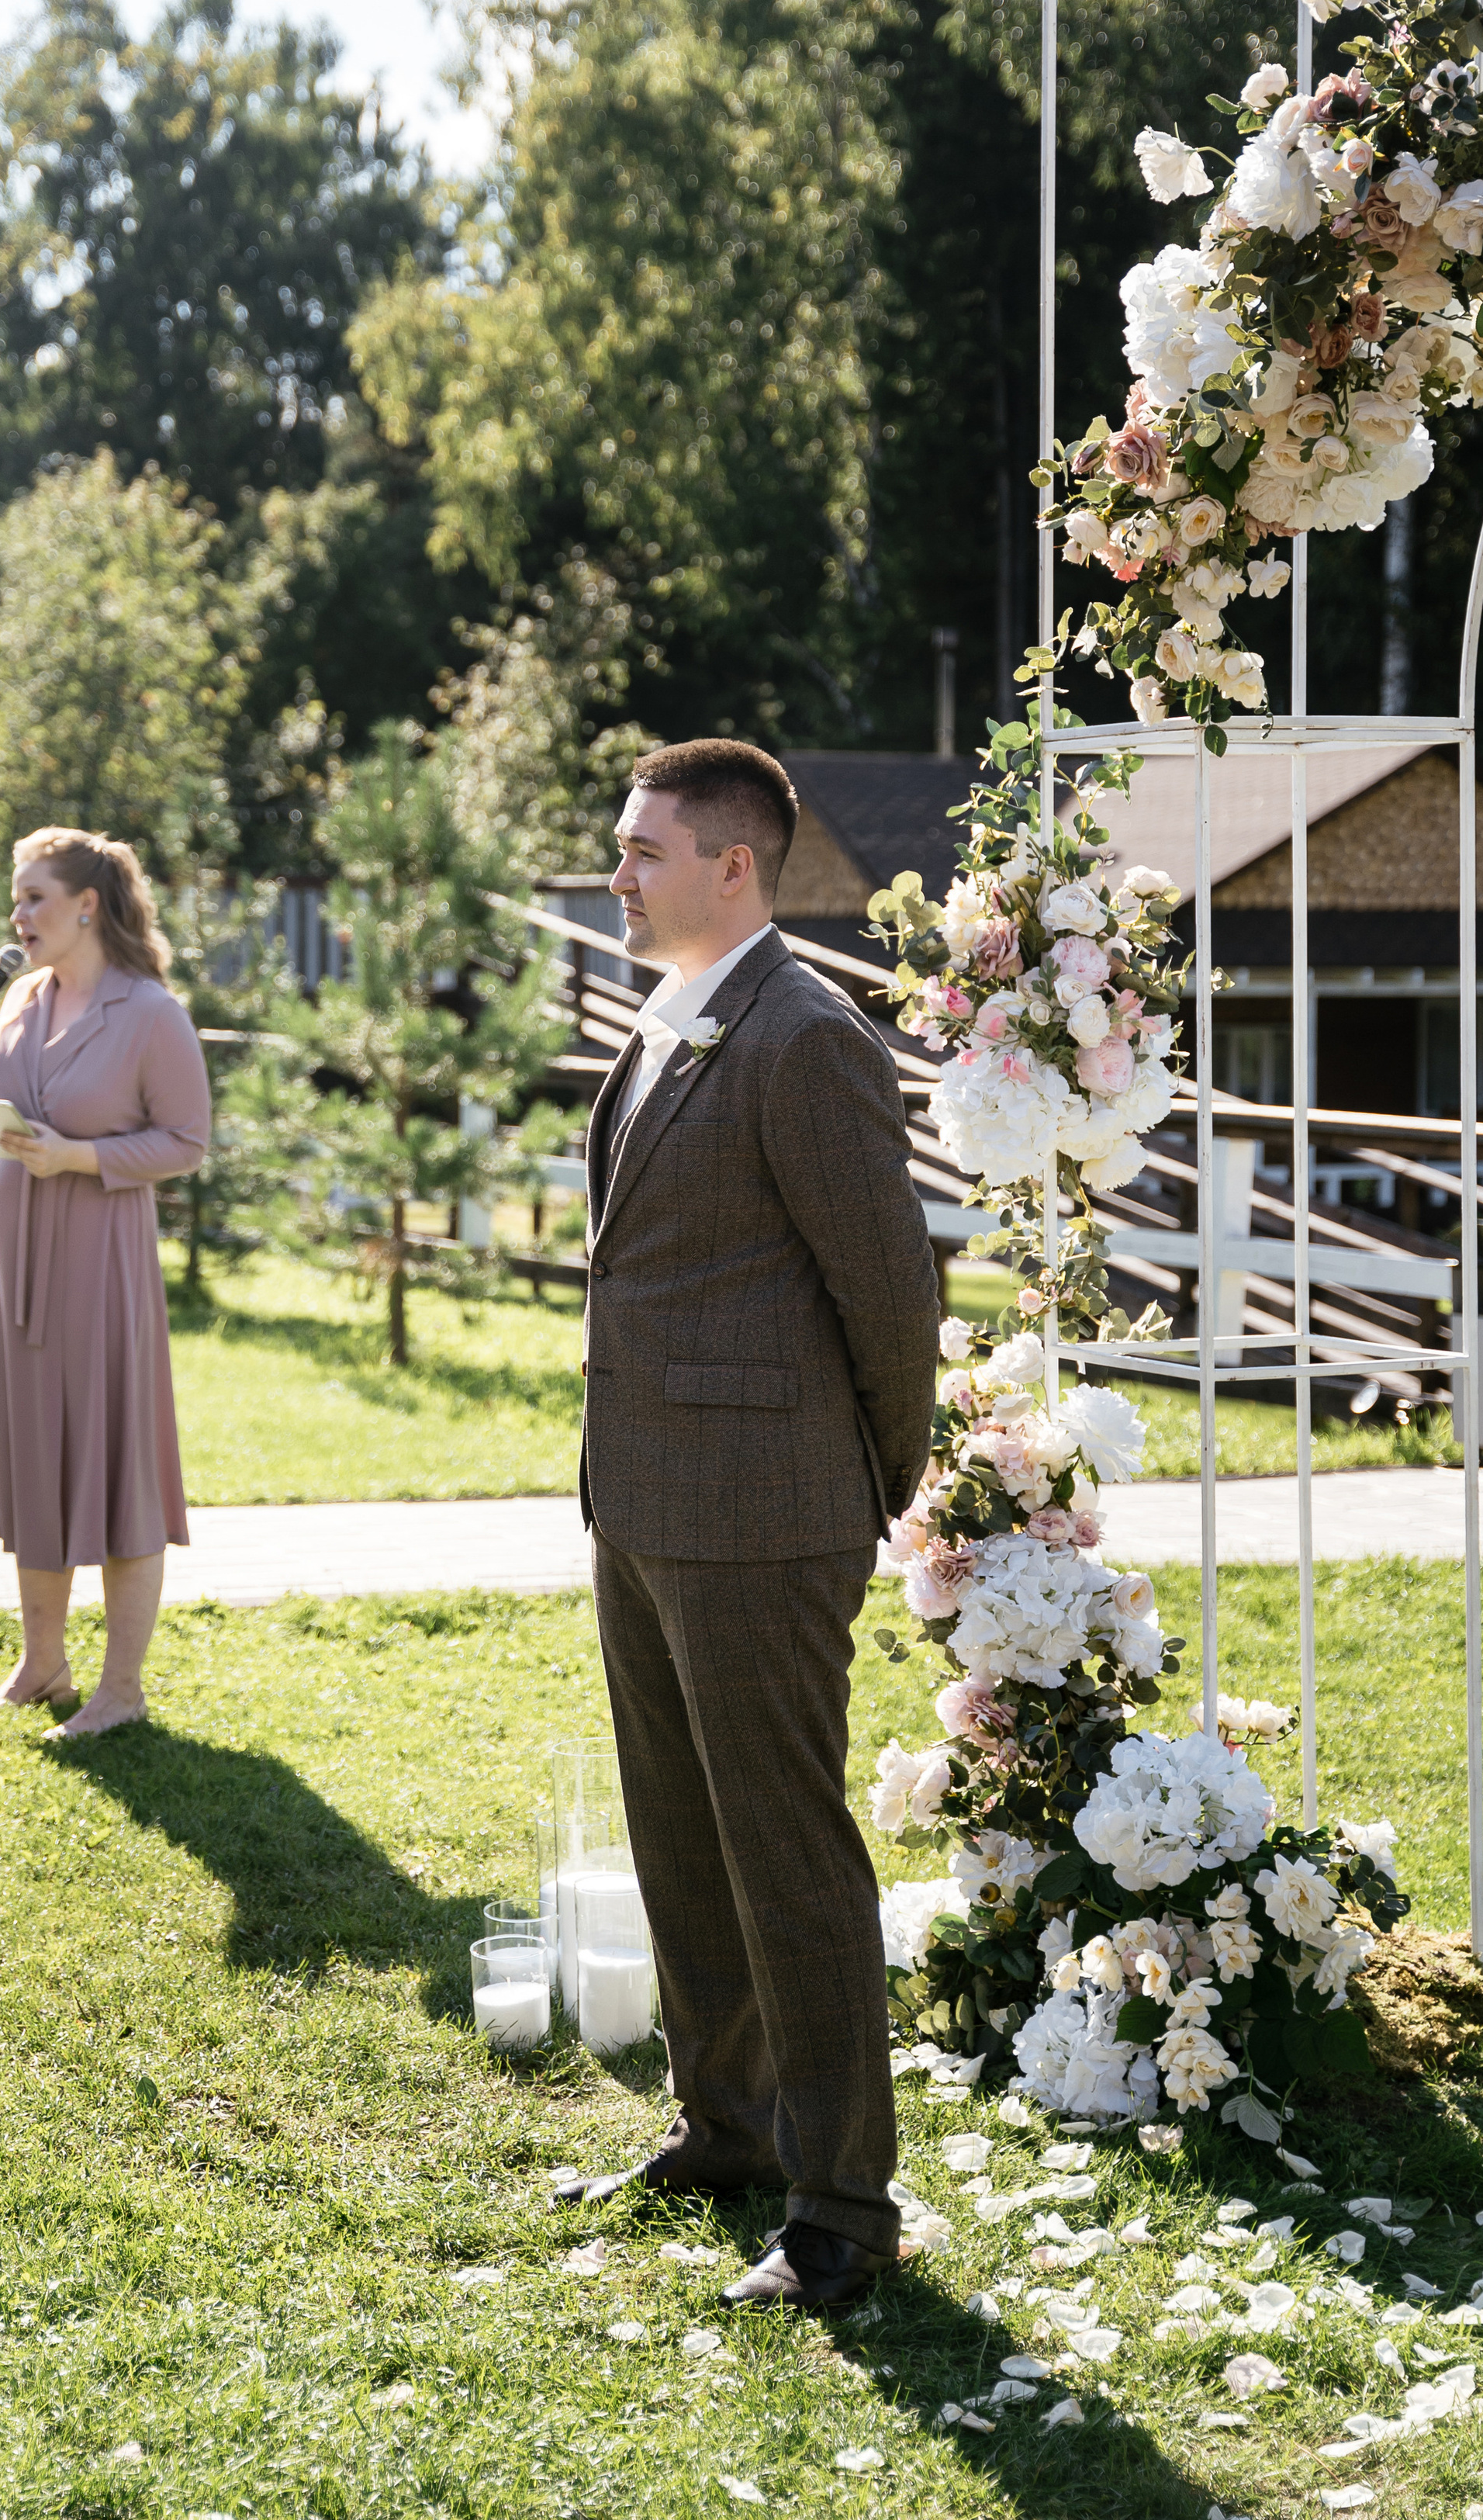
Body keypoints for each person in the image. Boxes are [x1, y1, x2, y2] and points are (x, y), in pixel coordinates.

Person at [555, 737, 940, 2314]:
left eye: (642, 851)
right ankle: (722, 2128)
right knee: (680, 1839)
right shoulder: (669, 1016)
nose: (616, 875)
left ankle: (842, 2206)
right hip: (643, 1500)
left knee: (785, 1859)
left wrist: (871, 1481)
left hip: (767, 1516)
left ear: (733, 866)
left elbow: (890, 1291)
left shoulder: (805, 1034)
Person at [0, 826, 211, 1737]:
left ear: (86, 905)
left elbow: (186, 1142)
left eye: (35, 898)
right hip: (7, 1249)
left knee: (114, 1463)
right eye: (14, 899)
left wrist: (81, 1158)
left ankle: (120, 1691)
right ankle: (42, 1664)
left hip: (99, 1258)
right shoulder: (20, 999)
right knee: (30, 1455)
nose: (18, 915)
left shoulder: (150, 1014)